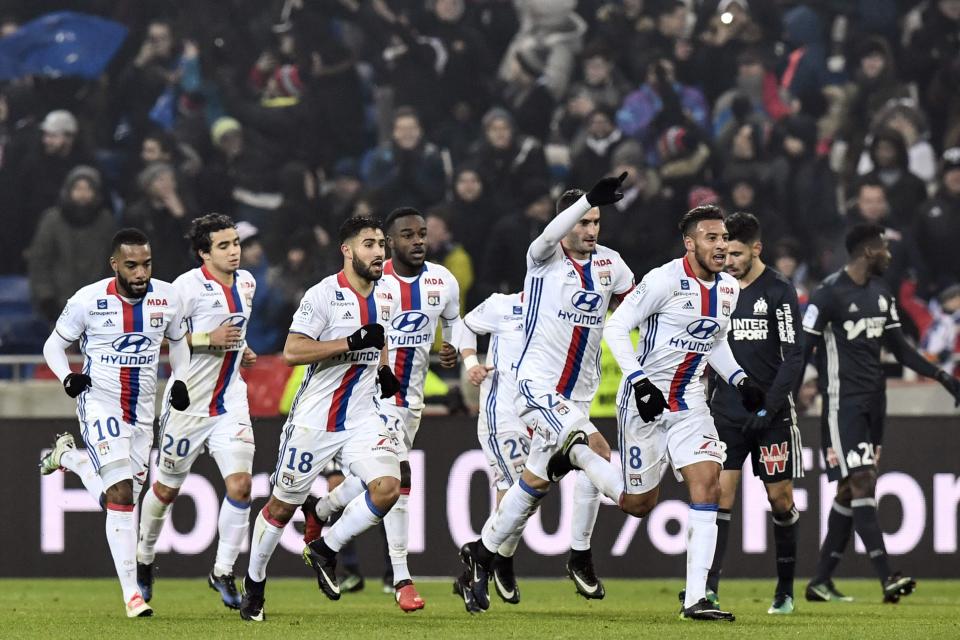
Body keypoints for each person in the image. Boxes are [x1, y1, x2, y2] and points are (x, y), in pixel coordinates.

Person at [456, 174, 635, 613]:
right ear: (566, 222)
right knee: (594, 449)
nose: (591, 230)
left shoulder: (613, 265)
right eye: (583, 221)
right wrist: (588, 197)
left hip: (578, 395)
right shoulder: (543, 258)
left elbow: (635, 311)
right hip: (536, 389)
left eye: (596, 222)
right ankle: (582, 552)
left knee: (534, 483)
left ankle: (481, 554)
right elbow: (550, 233)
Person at [603, 204, 768, 621]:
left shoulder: (728, 289)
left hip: (690, 402)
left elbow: (713, 340)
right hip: (645, 403)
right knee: (638, 504)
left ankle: (696, 598)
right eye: (711, 238)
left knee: (708, 483)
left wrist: (739, 380)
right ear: (690, 243)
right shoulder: (664, 280)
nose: (721, 246)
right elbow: (616, 327)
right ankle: (586, 463)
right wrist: (639, 382)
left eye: (724, 239)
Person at [238, 216, 403, 622]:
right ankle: (255, 585)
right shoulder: (323, 295)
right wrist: (349, 343)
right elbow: (293, 351)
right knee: (279, 508)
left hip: (363, 416)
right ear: (347, 250)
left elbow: (378, 336)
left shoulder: (389, 295)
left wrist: (382, 366)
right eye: (368, 244)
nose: (378, 251)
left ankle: (326, 548)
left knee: (387, 488)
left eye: (381, 243)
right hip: (314, 421)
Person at [301, 207, 462, 612]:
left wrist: (454, 346)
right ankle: (401, 578)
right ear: (390, 243)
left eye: (422, 233)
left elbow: (455, 322)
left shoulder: (443, 280)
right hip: (375, 397)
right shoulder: (376, 281)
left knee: (372, 480)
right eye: (408, 235)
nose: (418, 241)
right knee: (399, 478)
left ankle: (319, 509)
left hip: (413, 399)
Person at [802, 223, 960, 603]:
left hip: (876, 403)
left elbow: (901, 350)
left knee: (848, 490)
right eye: (886, 248)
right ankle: (888, 576)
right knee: (862, 481)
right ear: (870, 250)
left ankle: (820, 581)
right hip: (842, 403)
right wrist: (789, 397)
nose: (890, 255)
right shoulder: (827, 295)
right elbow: (802, 349)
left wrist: (940, 376)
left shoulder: (881, 293)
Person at [38, 229, 191, 618]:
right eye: (132, 265)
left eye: (147, 264)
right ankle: (132, 597)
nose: (141, 273)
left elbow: (179, 343)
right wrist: (67, 378)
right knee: (122, 495)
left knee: (117, 502)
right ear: (115, 265)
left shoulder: (168, 297)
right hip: (99, 403)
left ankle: (70, 459)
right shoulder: (88, 300)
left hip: (142, 413)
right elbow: (54, 345)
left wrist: (179, 380)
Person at [134, 214, 258, 609]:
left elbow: (234, 328)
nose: (234, 250)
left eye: (235, 242)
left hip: (230, 401)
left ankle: (222, 570)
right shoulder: (184, 288)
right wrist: (210, 339)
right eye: (223, 245)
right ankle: (144, 557)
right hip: (187, 405)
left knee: (241, 487)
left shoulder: (249, 283)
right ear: (204, 253)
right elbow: (161, 336)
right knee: (167, 489)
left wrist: (241, 348)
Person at [706, 212, 804, 614]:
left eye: (735, 253)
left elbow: (794, 356)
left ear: (757, 250)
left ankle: (784, 590)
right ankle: (707, 588)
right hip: (726, 412)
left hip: (772, 415)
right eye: (724, 253)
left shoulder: (779, 291)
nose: (727, 261)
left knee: (780, 499)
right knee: (719, 498)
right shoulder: (716, 291)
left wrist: (769, 405)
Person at [455, 290, 526, 603]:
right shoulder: (503, 305)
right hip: (503, 416)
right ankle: (489, 561)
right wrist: (471, 361)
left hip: (540, 416)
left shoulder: (561, 311)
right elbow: (465, 325)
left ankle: (494, 558)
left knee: (522, 500)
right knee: (519, 493)